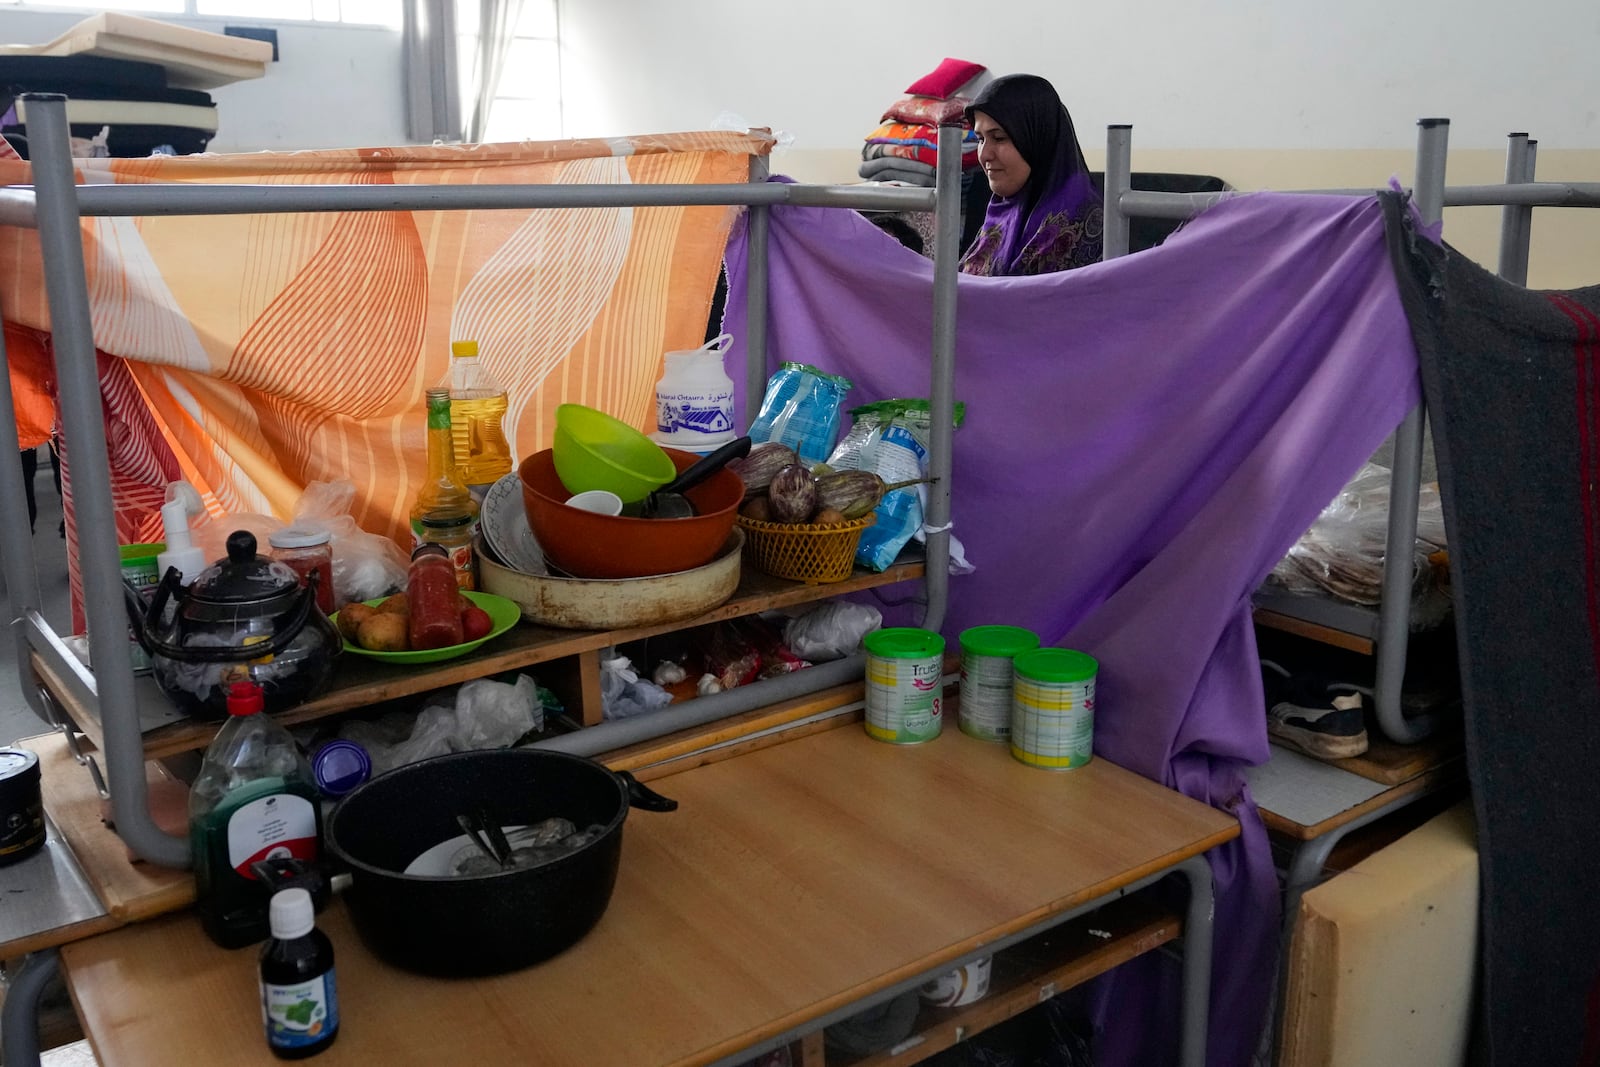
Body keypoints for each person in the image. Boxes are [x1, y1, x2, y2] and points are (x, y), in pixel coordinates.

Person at [960, 74, 1103, 277]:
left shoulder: (1078, 219)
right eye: (980, 139)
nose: (984, 154)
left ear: (1037, 138)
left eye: (999, 138)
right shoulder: (1003, 211)